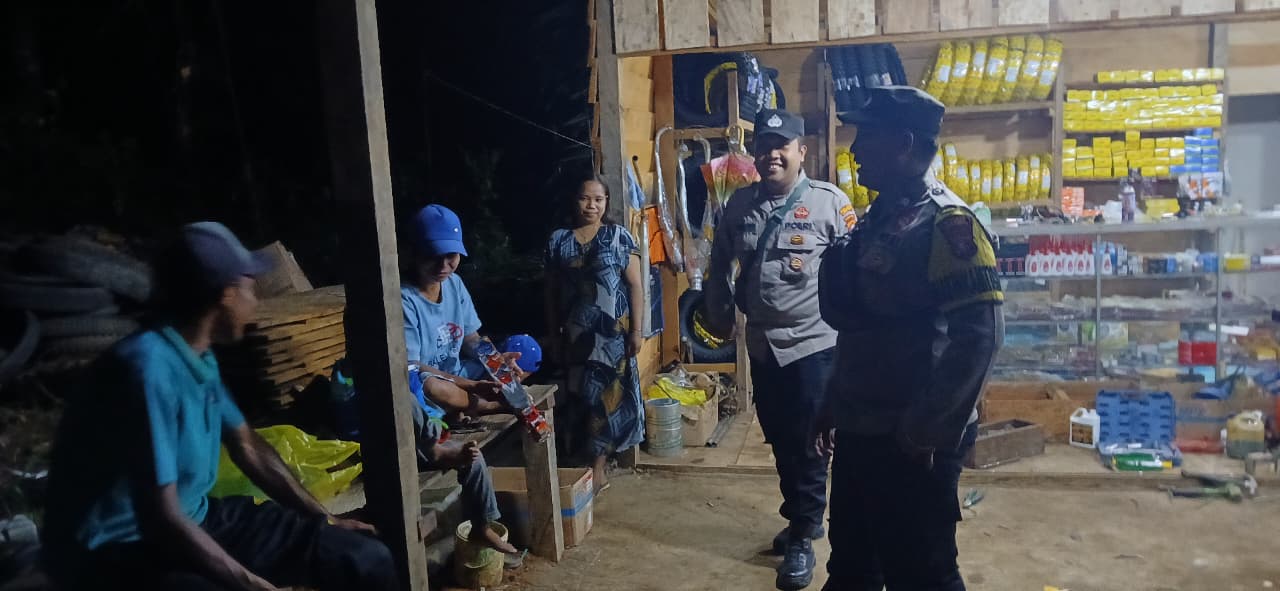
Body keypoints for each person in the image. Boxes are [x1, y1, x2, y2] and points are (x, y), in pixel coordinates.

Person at [42, 222, 397, 591]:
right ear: (226, 294)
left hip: (193, 520)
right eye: (250, 288)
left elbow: (247, 446)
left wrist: (324, 519)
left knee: (362, 559)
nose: (254, 301)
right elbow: (160, 516)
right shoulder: (147, 371)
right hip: (116, 551)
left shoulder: (198, 356)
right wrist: (247, 582)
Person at [816, 86, 1004, 591]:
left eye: (866, 136)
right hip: (861, 426)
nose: (855, 150)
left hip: (910, 439)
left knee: (921, 575)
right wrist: (834, 400)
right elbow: (864, 327)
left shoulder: (947, 225)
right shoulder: (879, 218)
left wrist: (927, 430)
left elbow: (980, 338)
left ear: (903, 143)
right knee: (852, 568)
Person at [703, 109, 856, 591]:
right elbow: (718, 264)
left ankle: (804, 535)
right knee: (781, 439)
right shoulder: (739, 204)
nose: (772, 154)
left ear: (801, 152)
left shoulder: (829, 203)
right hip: (763, 346)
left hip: (814, 346)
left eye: (782, 146)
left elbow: (854, 277)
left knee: (811, 445)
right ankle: (801, 518)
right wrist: (717, 310)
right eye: (764, 146)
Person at [400, 203, 523, 559]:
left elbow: (472, 338)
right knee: (431, 385)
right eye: (433, 256)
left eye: (451, 257)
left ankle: (492, 400)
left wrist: (498, 364)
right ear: (414, 253)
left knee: (515, 361)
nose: (443, 265)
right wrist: (470, 387)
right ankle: (497, 406)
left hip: (459, 379)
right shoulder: (404, 299)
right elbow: (413, 366)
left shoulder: (454, 285)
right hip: (429, 386)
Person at [544, 176, 646, 495]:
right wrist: (553, 334)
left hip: (611, 337)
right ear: (575, 200)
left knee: (606, 404)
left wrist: (637, 331)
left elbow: (636, 286)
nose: (592, 205)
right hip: (576, 337)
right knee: (579, 399)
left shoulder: (618, 237)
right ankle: (579, 467)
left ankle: (598, 470)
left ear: (606, 203)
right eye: (585, 198)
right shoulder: (559, 240)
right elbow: (550, 293)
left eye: (598, 199)